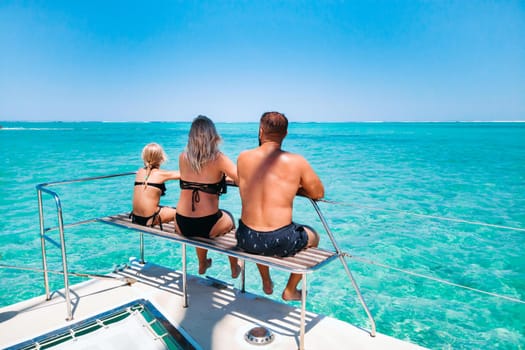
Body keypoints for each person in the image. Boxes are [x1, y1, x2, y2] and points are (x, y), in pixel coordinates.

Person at [236, 111, 324, 301]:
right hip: (280, 241)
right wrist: (295, 187)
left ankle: (266, 281)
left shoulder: (243, 157)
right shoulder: (296, 161)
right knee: (314, 236)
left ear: (261, 131)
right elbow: (318, 193)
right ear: (285, 134)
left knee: (257, 230)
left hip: (246, 237)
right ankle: (291, 289)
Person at [174, 115, 241, 278]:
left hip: (181, 223)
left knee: (199, 223)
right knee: (230, 219)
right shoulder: (218, 158)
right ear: (212, 135)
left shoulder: (183, 157)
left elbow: (197, 177)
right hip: (207, 225)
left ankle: (202, 263)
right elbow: (242, 178)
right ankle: (235, 266)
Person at [131, 143, 180, 229]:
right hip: (150, 219)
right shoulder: (161, 174)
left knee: (166, 208)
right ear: (160, 158)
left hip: (136, 218)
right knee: (181, 213)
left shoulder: (139, 171)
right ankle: (181, 237)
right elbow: (184, 175)